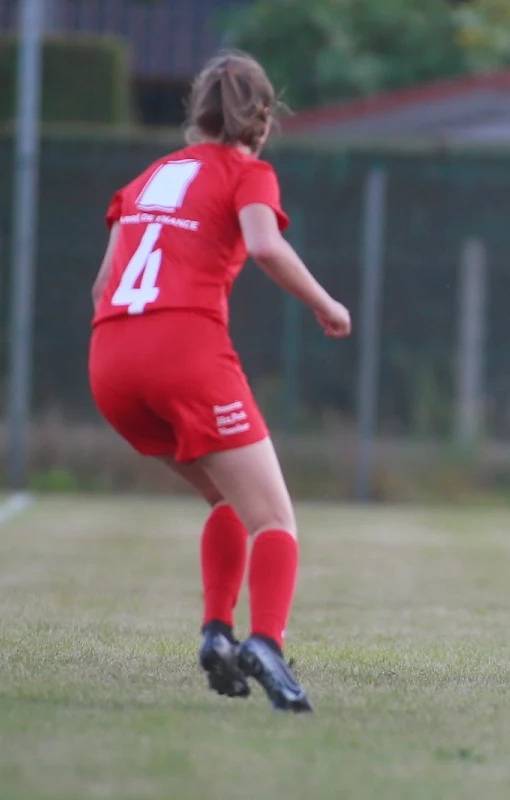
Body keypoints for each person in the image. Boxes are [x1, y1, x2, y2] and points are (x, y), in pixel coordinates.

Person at [88, 51, 351, 713]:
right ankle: (265, 641)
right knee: (276, 519)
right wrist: (325, 302)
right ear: (261, 119)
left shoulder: (147, 179)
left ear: (195, 111)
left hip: (111, 359)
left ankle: (215, 633)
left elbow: (101, 285)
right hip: (184, 349)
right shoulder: (247, 170)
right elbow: (263, 244)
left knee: (229, 502)